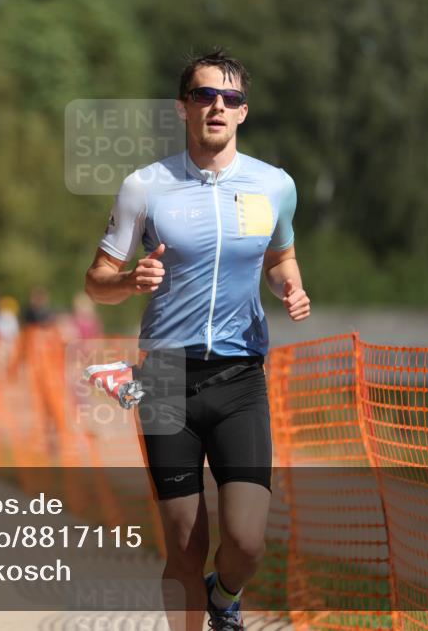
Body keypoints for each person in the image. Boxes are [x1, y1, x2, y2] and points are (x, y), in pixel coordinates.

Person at [84, 49, 310, 631]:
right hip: (163, 379)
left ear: (243, 113)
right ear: (183, 107)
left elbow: (281, 256)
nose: (217, 106)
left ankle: (226, 594)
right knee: (184, 548)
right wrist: (131, 280)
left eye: (230, 98)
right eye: (205, 95)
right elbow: (96, 282)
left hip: (239, 378)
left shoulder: (274, 186)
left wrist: (291, 287)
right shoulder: (145, 187)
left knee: (248, 541)